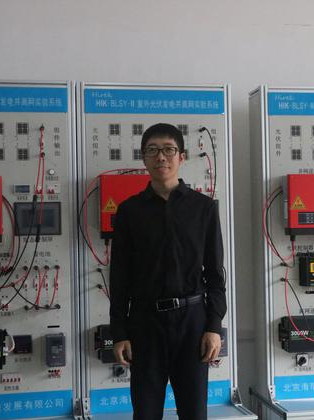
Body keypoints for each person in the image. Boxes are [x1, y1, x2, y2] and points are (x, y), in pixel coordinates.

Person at [109, 123, 227, 420]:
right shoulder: (129, 212)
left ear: (181, 157)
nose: (160, 157)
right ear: (144, 158)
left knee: (194, 413)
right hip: (145, 324)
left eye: (168, 150)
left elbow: (215, 274)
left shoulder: (204, 208)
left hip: (192, 323)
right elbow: (119, 277)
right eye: (152, 150)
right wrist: (119, 332)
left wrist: (214, 326)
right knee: (145, 413)